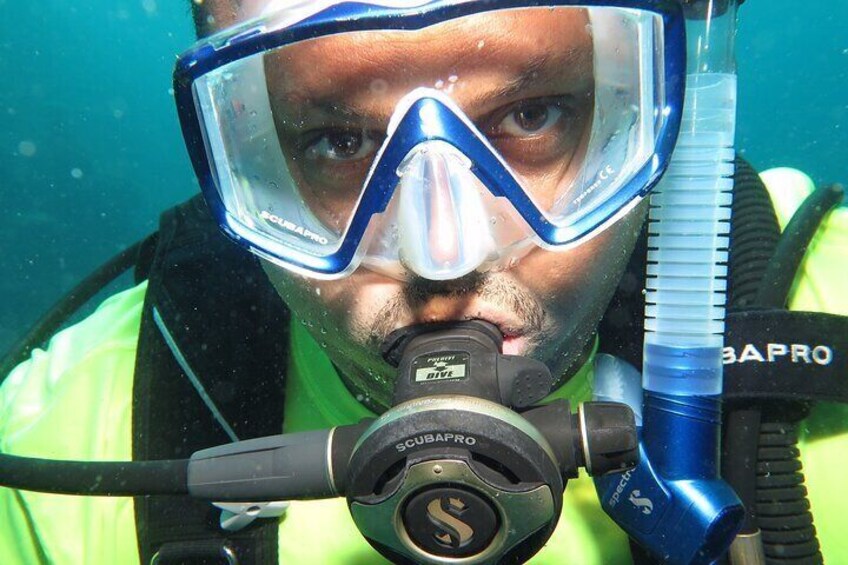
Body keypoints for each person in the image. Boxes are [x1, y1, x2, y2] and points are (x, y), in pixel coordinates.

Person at [0, 0, 845, 563]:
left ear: (642, 105)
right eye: (338, 142)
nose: (444, 256)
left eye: (531, 114)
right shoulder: (66, 438)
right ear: (250, 158)